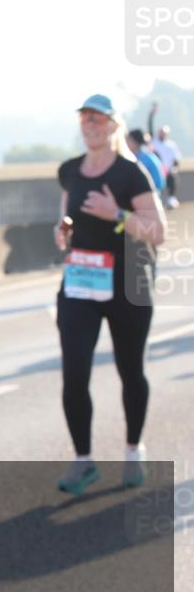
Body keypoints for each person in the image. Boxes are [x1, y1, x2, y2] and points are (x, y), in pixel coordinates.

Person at [54, 94, 166, 495]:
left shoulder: (130, 174)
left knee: (130, 370)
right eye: (85, 118)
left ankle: (134, 449)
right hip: (82, 281)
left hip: (129, 281)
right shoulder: (69, 171)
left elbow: (158, 231)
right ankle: (83, 460)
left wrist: (115, 214)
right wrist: (63, 229)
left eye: (98, 119)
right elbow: (68, 213)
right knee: (74, 371)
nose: (90, 125)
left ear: (114, 125)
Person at [147, 102, 183, 209]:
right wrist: (151, 114)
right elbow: (149, 126)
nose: (162, 134)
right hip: (157, 170)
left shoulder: (172, 145)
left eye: (164, 132)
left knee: (173, 177)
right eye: (161, 132)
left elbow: (176, 160)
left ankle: (171, 199)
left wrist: (174, 169)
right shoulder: (154, 142)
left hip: (168, 172)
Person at [126, 129, 165, 195]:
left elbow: (158, 181)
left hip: (148, 194)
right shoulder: (146, 156)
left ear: (135, 142)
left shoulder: (144, 159)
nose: (125, 143)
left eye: (128, 140)